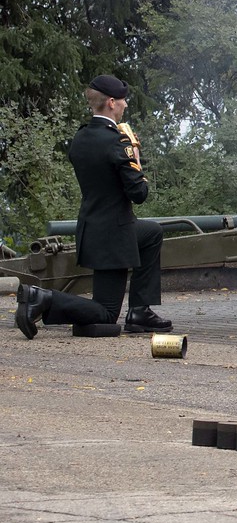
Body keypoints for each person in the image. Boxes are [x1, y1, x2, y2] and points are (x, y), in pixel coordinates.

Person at [14, 76, 172, 338]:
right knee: (106, 314)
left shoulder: (81, 138)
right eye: (122, 101)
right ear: (111, 103)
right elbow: (139, 193)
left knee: (152, 233)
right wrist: (135, 158)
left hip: (91, 229)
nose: (125, 105)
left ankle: (140, 311)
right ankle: (41, 298)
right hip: (114, 235)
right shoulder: (117, 142)